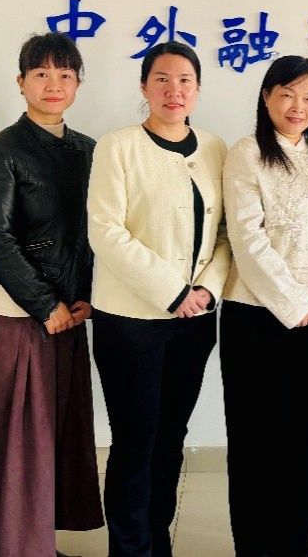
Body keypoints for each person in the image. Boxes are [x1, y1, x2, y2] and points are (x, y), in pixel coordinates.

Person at [0, 32, 103, 556]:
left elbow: (95, 233)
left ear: (78, 84)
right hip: (17, 316)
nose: (53, 85)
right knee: (10, 446)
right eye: (41, 74)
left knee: (49, 441)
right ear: (21, 82)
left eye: (64, 75)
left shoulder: (89, 150)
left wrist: (85, 295)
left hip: (68, 318)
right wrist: (45, 304)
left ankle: (35, 544)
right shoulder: (4, 148)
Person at [87, 41, 231, 557]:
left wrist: (207, 289)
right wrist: (173, 293)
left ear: (198, 88)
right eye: (163, 79)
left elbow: (225, 234)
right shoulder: (118, 146)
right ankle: (130, 548)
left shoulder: (215, 149)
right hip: (130, 321)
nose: (175, 90)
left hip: (195, 321)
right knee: (135, 438)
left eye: (185, 80)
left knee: (171, 435)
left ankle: (157, 539)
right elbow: (105, 231)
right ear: (144, 87)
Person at [221, 55, 308, 557]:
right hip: (255, 316)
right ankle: (255, 546)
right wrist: (295, 304)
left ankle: (296, 544)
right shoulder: (247, 154)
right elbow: (246, 240)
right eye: (288, 94)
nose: (299, 106)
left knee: (298, 437)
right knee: (255, 440)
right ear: (267, 97)